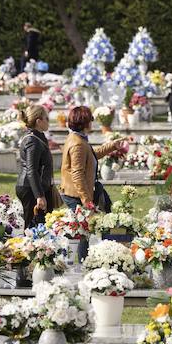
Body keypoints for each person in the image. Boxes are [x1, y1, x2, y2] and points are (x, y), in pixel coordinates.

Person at [60, 105, 126, 259]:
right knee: (80, 232)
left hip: (76, 193)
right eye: (90, 119)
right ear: (84, 122)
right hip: (75, 195)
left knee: (80, 231)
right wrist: (86, 200)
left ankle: (76, 261)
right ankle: (79, 262)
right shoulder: (77, 143)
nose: (92, 122)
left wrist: (111, 146)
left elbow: (91, 155)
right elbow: (77, 173)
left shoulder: (78, 139)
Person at [14, 103, 56, 229]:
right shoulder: (32, 140)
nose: (49, 121)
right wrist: (39, 196)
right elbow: (32, 170)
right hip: (30, 189)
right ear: (38, 121)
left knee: (41, 227)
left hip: (35, 187)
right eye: (46, 118)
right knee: (32, 228)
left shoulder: (37, 137)